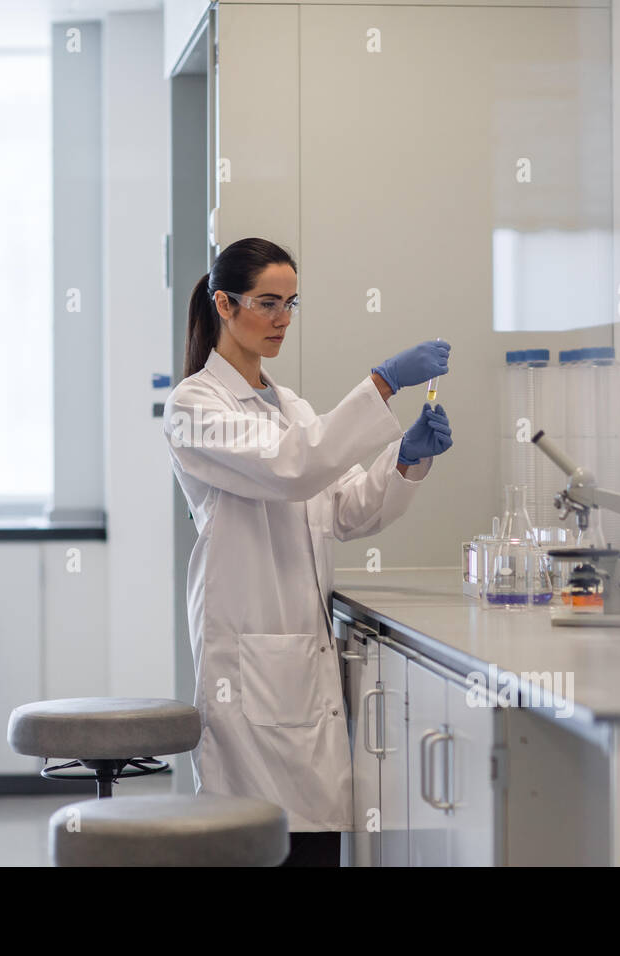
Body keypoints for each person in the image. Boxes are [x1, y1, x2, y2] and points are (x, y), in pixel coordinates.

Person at [163, 238, 453, 867]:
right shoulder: (193, 406)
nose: (282, 320)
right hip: (249, 659)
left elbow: (344, 509)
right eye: (268, 303)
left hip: (297, 660)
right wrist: (381, 383)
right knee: (260, 841)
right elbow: (293, 469)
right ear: (224, 303)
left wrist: (406, 458)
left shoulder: (288, 405)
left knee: (314, 840)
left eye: (292, 304)